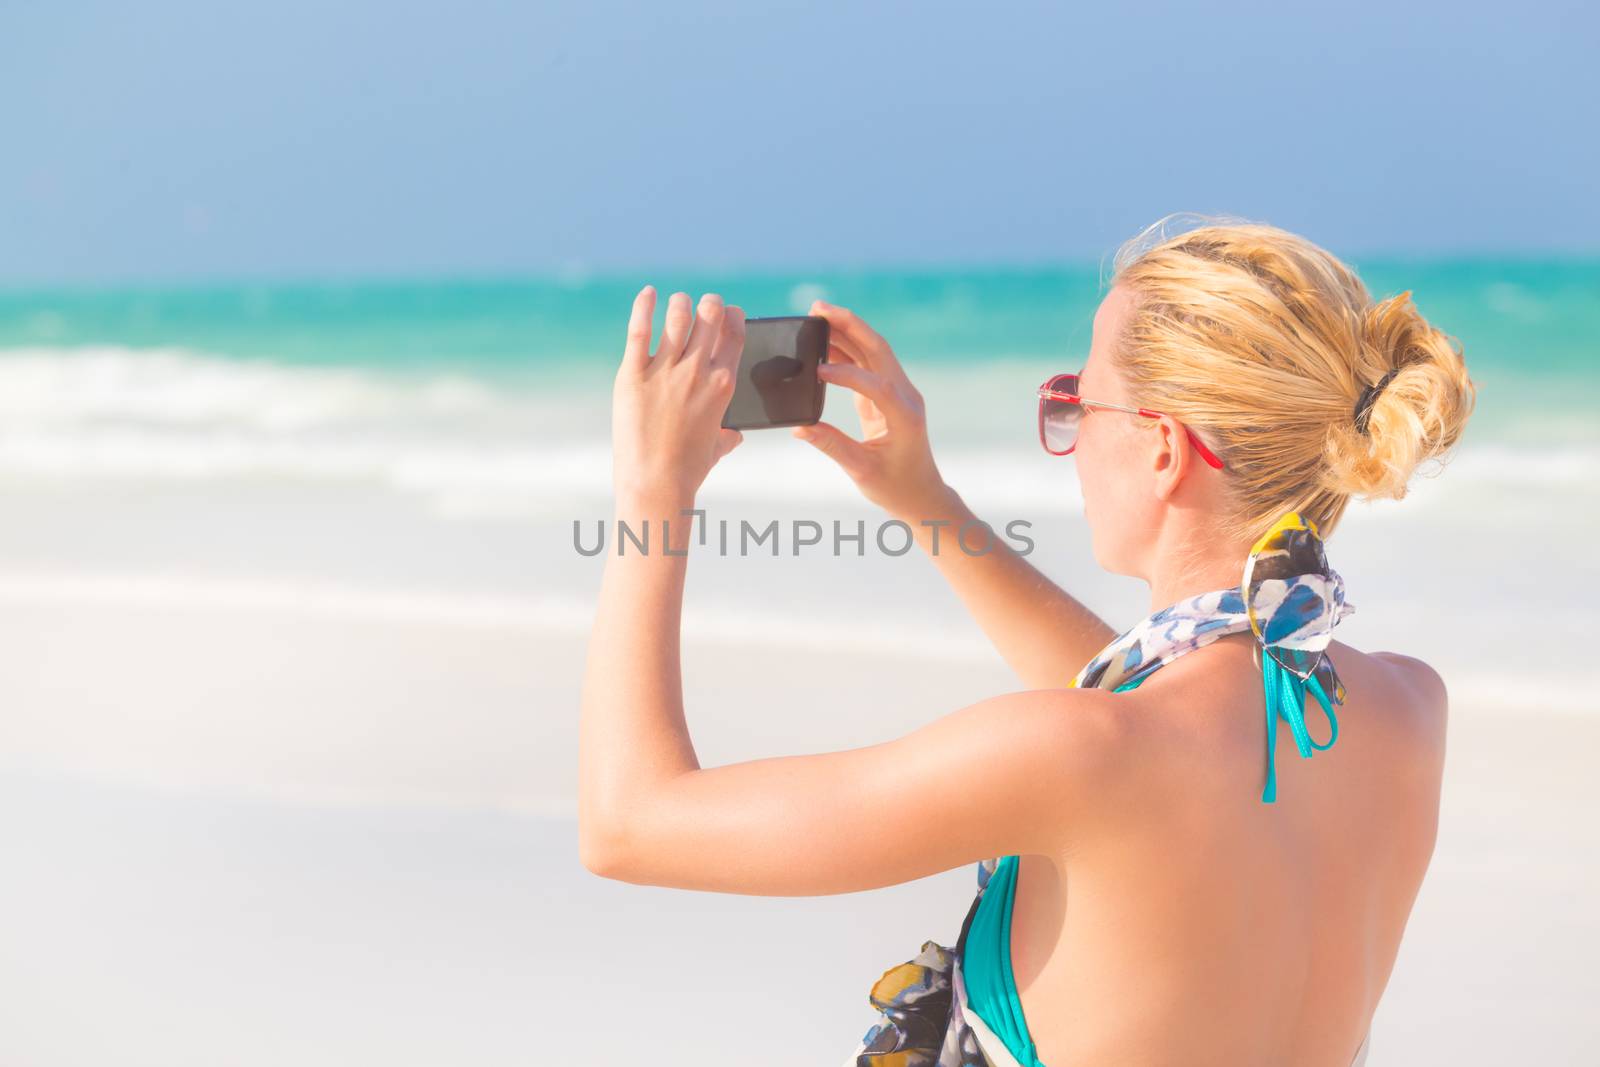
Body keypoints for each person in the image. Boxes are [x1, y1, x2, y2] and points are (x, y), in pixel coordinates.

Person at [578, 214, 1478, 1066]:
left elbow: (629, 824)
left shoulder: (1081, 756)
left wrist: (652, 495)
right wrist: (924, 501)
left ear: (1163, 450)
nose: (1071, 435)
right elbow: (1152, 714)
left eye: (1076, 404)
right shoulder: (1405, 712)